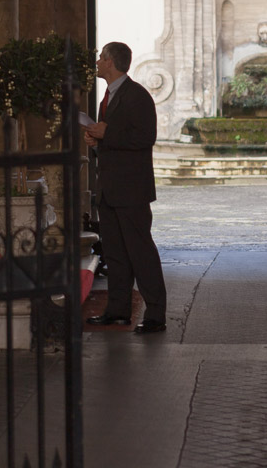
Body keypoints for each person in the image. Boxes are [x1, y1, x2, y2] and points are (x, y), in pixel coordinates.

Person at [84, 41, 167, 333]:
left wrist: (108, 132)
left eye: (100, 58)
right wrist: (97, 140)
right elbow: (116, 140)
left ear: (110, 61)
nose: (97, 63)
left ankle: (155, 313)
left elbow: (145, 137)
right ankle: (117, 310)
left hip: (131, 190)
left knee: (141, 252)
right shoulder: (107, 97)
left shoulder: (137, 96)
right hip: (109, 188)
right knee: (116, 253)